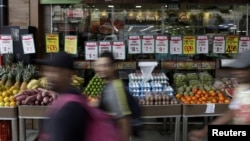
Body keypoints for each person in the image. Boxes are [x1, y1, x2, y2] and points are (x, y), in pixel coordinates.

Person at [189, 50, 250, 141]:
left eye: (242, 69)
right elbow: (231, 112)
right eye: (236, 68)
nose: (237, 72)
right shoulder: (241, 89)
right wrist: (205, 131)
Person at [35, 51, 88, 141]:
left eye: (54, 72)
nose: (49, 76)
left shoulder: (69, 109)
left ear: (69, 74)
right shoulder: (65, 98)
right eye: (47, 70)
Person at [94, 51, 132, 141]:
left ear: (112, 68)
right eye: (99, 65)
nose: (101, 69)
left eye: (105, 66)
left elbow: (124, 121)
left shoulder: (115, 88)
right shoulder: (108, 86)